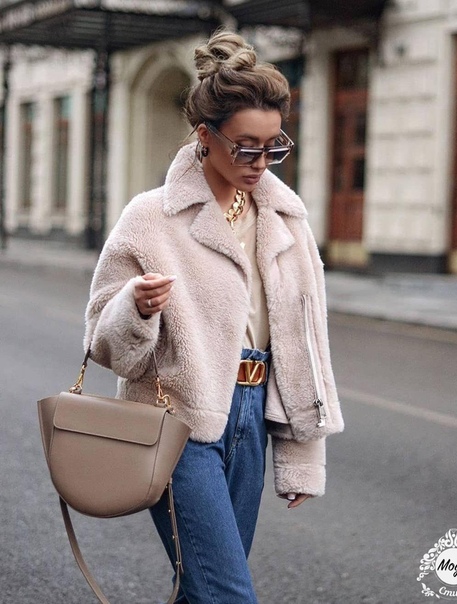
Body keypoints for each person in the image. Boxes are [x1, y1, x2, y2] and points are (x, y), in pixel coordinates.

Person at [84, 29, 344, 604]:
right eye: (245, 147)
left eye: (273, 147)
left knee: (201, 590)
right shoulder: (152, 217)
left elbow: (305, 347)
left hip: (251, 420)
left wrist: (302, 454)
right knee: (227, 594)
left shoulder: (287, 221)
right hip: (177, 421)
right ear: (205, 136)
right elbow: (104, 342)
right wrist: (136, 307)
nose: (260, 162)